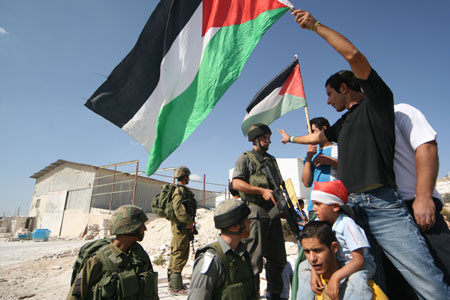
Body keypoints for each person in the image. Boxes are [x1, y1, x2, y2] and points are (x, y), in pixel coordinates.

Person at [278, 8, 450, 299]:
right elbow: (319, 135)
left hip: (382, 206)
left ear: (345, 88)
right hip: (352, 210)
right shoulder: (343, 124)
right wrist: (292, 138)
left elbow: (354, 55)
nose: (328, 100)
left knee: (425, 280)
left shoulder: (377, 105)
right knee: (379, 281)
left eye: (331, 94)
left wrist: (316, 26)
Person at [383, 103, 450, 298]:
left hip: (416, 207)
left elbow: (426, 146)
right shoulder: (359, 125)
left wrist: (423, 197)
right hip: (388, 213)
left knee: (443, 265)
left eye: (330, 94)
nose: (328, 101)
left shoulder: (400, 111)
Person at [232, 123, 287, 300]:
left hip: (274, 212)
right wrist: (261, 191)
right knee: (254, 259)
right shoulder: (245, 158)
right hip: (255, 212)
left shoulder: (271, 160)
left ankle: (275, 294)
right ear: (255, 139)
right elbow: (236, 184)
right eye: (264, 138)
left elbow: (278, 185)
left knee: (278, 257)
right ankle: (252, 295)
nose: (268, 141)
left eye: (269, 138)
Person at [297, 180, 375, 300]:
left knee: (357, 279)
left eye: (318, 204)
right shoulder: (319, 223)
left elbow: (359, 260)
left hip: (358, 264)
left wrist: (336, 277)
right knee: (303, 266)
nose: (314, 208)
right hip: (336, 261)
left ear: (335, 206)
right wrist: (314, 272)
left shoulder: (347, 225)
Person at [67, 205, 158, 300]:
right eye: (141, 225)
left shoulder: (139, 255)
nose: (145, 229)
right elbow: (75, 295)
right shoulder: (97, 260)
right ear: (129, 228)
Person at [188, 198, 257, 300]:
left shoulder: (242, 255)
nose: (250, 222)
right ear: (235, 226)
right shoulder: (212, 261)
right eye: (246, 219)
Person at [300, 221, 388, 300]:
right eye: (307, 251)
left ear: (334, 247)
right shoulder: (307, 281)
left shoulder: (363, 289)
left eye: (317, 250)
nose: (312, 258)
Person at [168, 166, 197, 295]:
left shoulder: (181, 190)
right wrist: (189, 222)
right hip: (182, 227)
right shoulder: (179, 191)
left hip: (181, 226)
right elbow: (179, 210)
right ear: (183, 177)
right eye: (187, 176)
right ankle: (176, 287)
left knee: (176, 252)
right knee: (180, 253)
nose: (189, 178)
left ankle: (172, 281)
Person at [301, 117, 338, 219]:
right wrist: (308, 159)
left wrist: (332, 162)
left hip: (333, 205)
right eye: (309, 132)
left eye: (313, 131)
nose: (310, 136)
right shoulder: (311, 155)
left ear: (324, 129)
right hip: (314, 208)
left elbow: (350, 173)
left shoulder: (338, 150)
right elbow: (306, 182)